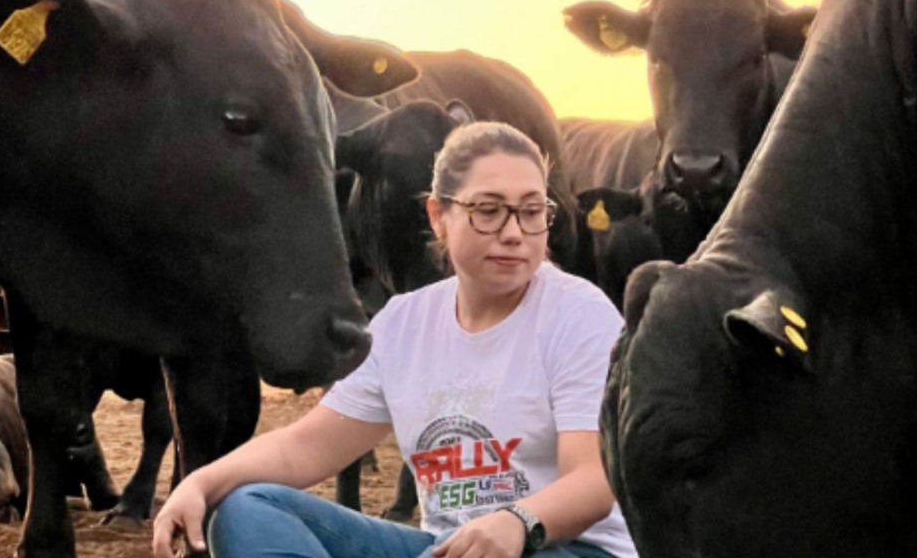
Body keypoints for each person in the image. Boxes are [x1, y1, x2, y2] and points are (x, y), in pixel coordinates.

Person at [152, 121, 637, 558]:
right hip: (442, 548)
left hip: (566, 549)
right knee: (246, 508)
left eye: (532, 212)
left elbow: (595, 481)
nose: (515, 233)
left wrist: (518, 521)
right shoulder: (404, 323)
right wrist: (200, 482)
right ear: (438, 216)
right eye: (488, 210)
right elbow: (303, 447)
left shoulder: (578, 315)